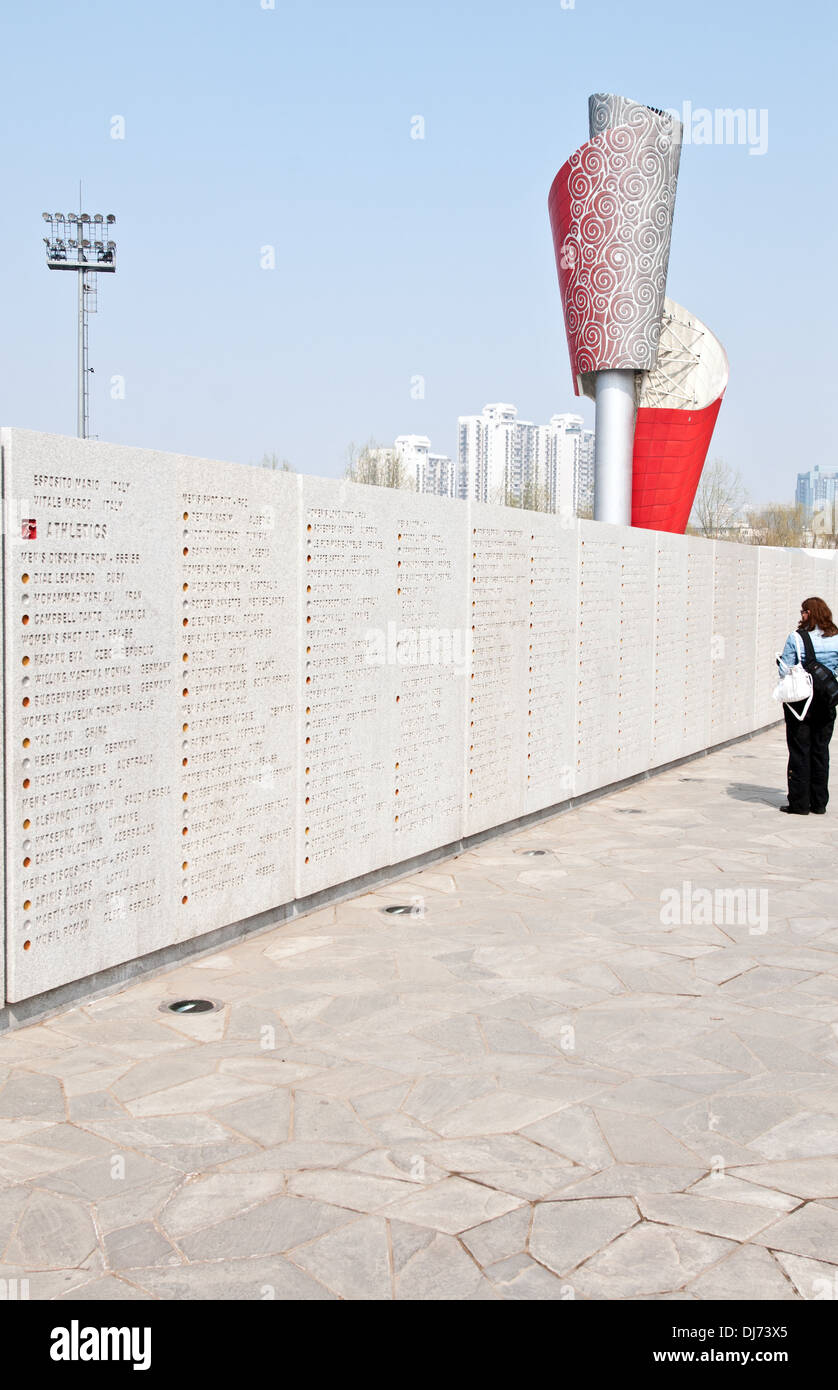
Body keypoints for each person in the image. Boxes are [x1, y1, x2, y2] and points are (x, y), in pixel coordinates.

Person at [778, 596, 838, 814]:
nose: (801, 614)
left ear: (809, 613)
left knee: (799, 751)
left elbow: (784, 669)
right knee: (821, 751)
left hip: (800, 703)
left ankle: (799, 803)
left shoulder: (796, 637)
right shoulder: (836, 637)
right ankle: (819, 803)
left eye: (803, 611)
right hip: (826, 702)